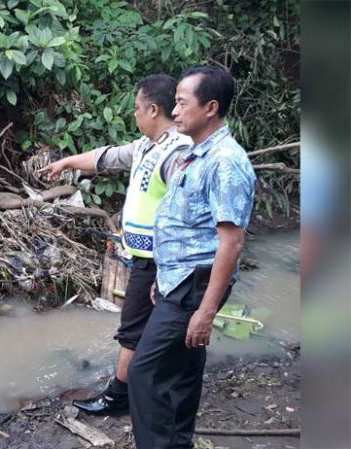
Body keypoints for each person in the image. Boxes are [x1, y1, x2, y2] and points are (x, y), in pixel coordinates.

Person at [39, 74, 192, 416]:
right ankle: (153, 385)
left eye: (137, 108)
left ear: (153, 109)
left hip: (159, 261)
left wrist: (166, 270)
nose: (134, 114)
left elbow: (184, 217)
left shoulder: (177, 153)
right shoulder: (146, 146)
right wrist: (66, 163)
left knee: (132, 330)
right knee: (153, 328)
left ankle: (118, 397)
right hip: (143, 258)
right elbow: (104, 158)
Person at [127, 66, 256, 449]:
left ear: (211, 107)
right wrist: (163, 277)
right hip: (179, 281)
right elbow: (188, 228)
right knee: (182, 372)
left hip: (194, 288)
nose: (175, 110)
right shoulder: (195, 154)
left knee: (144, 372)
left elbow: (231, 242)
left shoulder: (225, 163)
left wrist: (206, 311)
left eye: (182, 103)